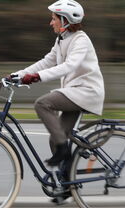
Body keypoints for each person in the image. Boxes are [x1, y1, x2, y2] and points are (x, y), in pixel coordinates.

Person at [11, 0, 105, 169]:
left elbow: (69, 66)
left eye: (53, 18)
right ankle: (67, 187)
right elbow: (47, 62)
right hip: (74, 93)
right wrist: (18, 75)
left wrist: (35, 77)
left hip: (86, 92)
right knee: (56, 137)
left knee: (42, 103)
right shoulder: (62, 40)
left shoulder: (80, 40)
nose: (50, 22)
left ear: (65, 21)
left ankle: (64, 150)